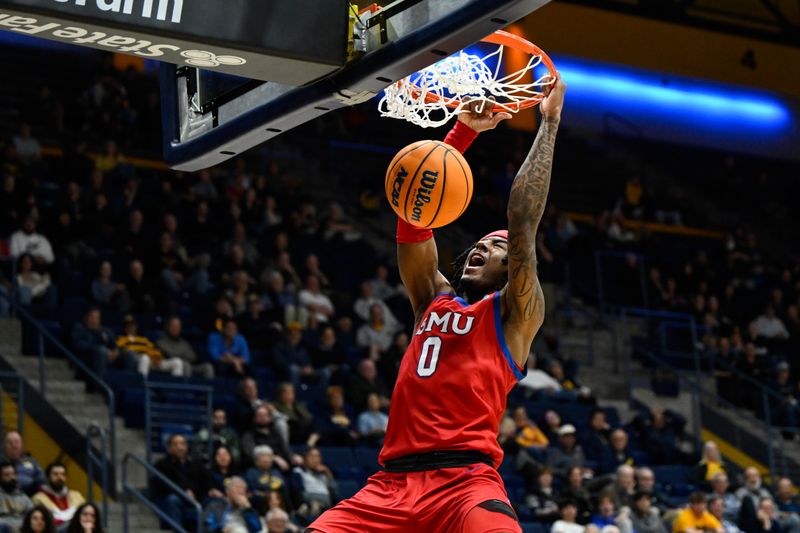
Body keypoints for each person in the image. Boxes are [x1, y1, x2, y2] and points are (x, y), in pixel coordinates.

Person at [308, 75, 566, 532]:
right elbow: (414, 219)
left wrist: (547, 123)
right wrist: (460, 134)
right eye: (480, 245)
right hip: (389, 488)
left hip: (464, 485)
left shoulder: (515, 315)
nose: (483, 249)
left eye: (498, 251)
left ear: (513, 271)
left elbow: (523, 222)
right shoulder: (432, 299)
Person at [153, 434, 205, 529]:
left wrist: (193, 491)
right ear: (169, 448)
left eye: (182, 444)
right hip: (175, 496)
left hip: (194, 497)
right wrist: (184, 491)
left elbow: (203, 482)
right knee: (172, 499)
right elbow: (163, 485)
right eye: (175, 444)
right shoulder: (162, 465)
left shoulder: (195, 464)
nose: (180, 447)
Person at [71, 307, 137, 375]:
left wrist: (116, 351)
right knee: (101, 351)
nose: (94, 320)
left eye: (97, 318)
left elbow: (114, 345)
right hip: (87, 358)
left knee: (129, 354)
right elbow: (79, 345)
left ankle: (127, 381)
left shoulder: (104, 330)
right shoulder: (79, 327)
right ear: (86, 318)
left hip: (106, 357)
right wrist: (104, 350)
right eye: (92, 317)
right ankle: (98, 384)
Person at [292, 448, 337, 521]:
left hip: (327, 508)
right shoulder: (299, 472)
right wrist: (312, 501)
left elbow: (335, 494)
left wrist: (328, 473)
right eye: (312, 456)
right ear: (305, 458)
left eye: (318, 456)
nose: (315, 460)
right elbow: (297, 493)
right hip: (310, 506)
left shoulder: (324, 474)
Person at [245, 446, 289, 515]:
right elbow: (252, 491)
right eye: (263, 456)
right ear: (256, 459)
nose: (267, 459)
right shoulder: (251, 473)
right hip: (262, 504)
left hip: (281, 503)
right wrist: (269, 494)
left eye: (269, 456)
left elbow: (285, 487)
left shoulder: (276, 472)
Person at [0, 461, 34, 532]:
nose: (12, 477)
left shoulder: (23, 496)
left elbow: (32, 515)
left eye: (13, 474)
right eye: (7, 475)